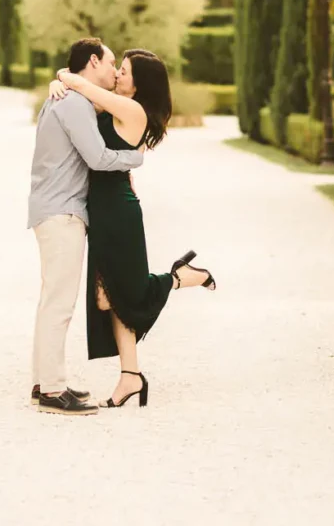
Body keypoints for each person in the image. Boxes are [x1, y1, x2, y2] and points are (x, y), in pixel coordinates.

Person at [48, 47, 216, 409]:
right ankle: (131, 376)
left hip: (117, 212)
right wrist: (59, 83)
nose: (118, 75)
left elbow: (85, 88)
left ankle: (182, 277)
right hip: (105, 209)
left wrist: (61, 77)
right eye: (118, 69)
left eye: (124, 71)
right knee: (108, 296)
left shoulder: (132, 109)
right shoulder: (118, 105)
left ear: (140, 84)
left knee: (126, 292)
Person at [27, 38, 143, 415]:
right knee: (58, 305)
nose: (114, 71)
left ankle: (44, 383)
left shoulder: (65, 96)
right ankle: (51, 391)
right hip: (63, 213)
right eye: (110, 63)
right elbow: (97, 157)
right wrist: (135, 158)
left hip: (55, 210)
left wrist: (61, 77)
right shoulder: (74, 103)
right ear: (92, 62)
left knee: (52, 302)